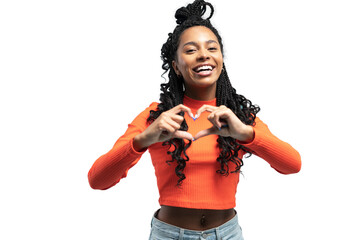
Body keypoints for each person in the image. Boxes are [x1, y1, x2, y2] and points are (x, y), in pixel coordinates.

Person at [88, 0, 301, 239]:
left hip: (227, 234)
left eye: (212, 48)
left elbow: (293, 165)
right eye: (190, 50)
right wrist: (144, 139)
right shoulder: (158, 116)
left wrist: (245, 134)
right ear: (176, 66)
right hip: (169, 234)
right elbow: (97, 180)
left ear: (221, 59)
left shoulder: (237, 117)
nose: (203, 56)